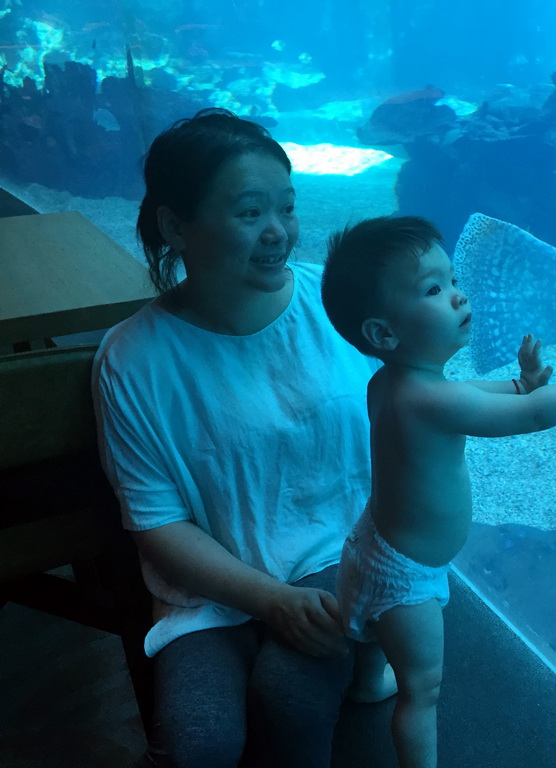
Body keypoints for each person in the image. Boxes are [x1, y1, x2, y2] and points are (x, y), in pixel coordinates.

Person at [91, 108, 390, 768]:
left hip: (339, 551)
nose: (279, 232)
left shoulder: (335, 302)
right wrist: (270, 602)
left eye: (286, 207)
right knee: (201, 741)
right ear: (176, 226)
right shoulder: (132, 357)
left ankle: (365, 658)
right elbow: (158, 524)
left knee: (291, 699)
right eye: (251, 212)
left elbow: (417, 406)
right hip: (206, 592)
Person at [319, 215, 556, 768]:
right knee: (421, 690)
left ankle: (364, 685)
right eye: (433, 289)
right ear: (383, 333)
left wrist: (517, 381)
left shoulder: (397, 381)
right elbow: (536, 414)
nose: (456, 296)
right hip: (406, 577)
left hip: (373, 546)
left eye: (451, 280)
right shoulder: (431, 402)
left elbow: (472, 390)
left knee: (375, 641)